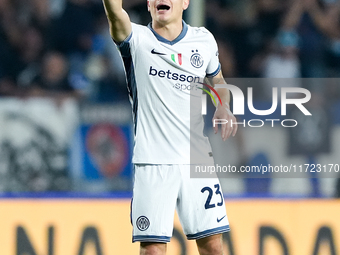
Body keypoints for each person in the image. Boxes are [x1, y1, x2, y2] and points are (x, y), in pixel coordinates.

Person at [102, 0, 237, 254]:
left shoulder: (203, 40)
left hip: (196, 160)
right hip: (153, 161)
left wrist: (223, 105)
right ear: (150, 4)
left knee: (214, 247)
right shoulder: (136, 39)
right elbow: (114, 11)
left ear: (185, 2)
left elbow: (217, 79)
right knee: (153, 249)